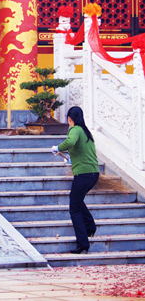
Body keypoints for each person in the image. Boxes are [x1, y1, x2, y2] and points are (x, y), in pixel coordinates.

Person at [52, 106, 99, 254]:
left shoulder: (74, 129)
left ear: (69, 118)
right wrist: (72, 159)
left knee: (74, 208)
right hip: (93, 174)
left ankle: (83, 243)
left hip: (83, 175)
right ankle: (90, 225)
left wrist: (57, 147)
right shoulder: (86, 132)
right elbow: (83, 151)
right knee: (77, 201)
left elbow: (70, 141)